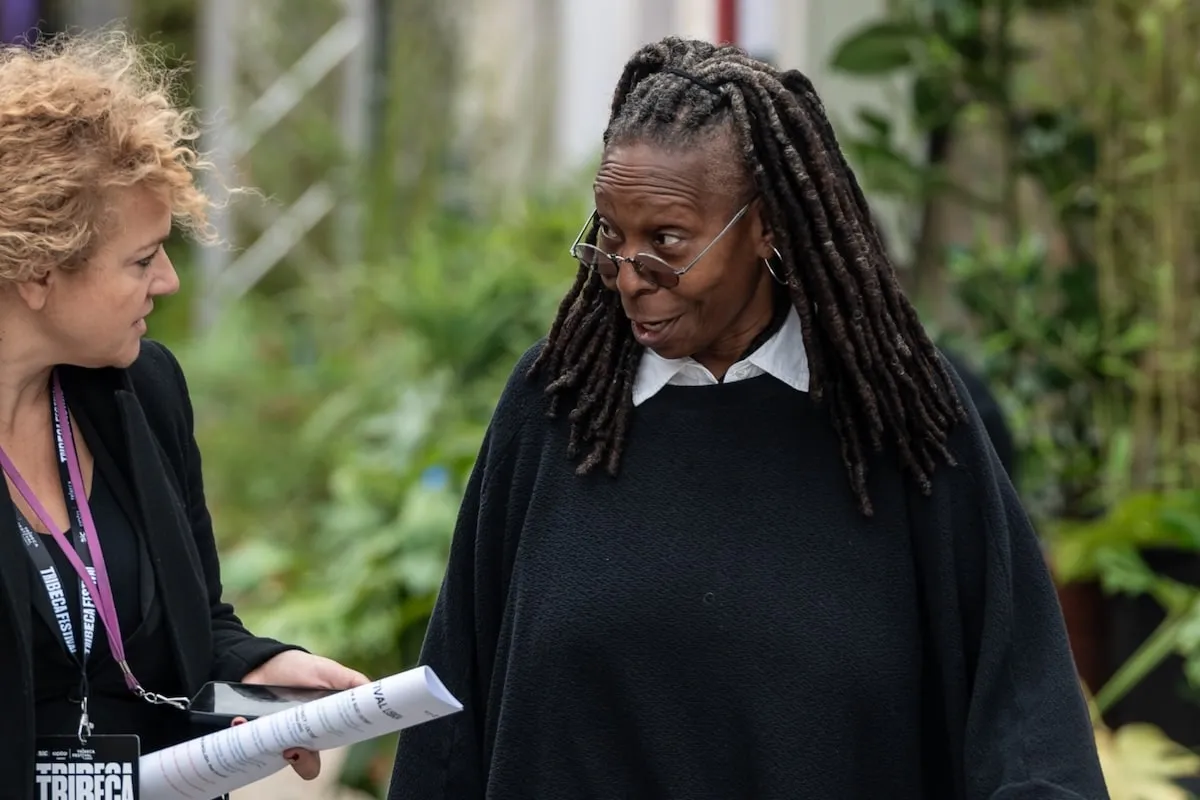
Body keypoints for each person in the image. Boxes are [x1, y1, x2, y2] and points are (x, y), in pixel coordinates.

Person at [388, 37, 1107, 799]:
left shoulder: (900, 413)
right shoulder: (556, 403)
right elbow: (451, 713)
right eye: (609, 235)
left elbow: (1023, 711)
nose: (629, 277)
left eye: (665, 241)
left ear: (765, 226)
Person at [0, 29, 369, 793]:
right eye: (141, 259)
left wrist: (265, 674)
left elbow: (199, 624)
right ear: (37, 272)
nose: (166, 282)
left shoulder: (144, 393)